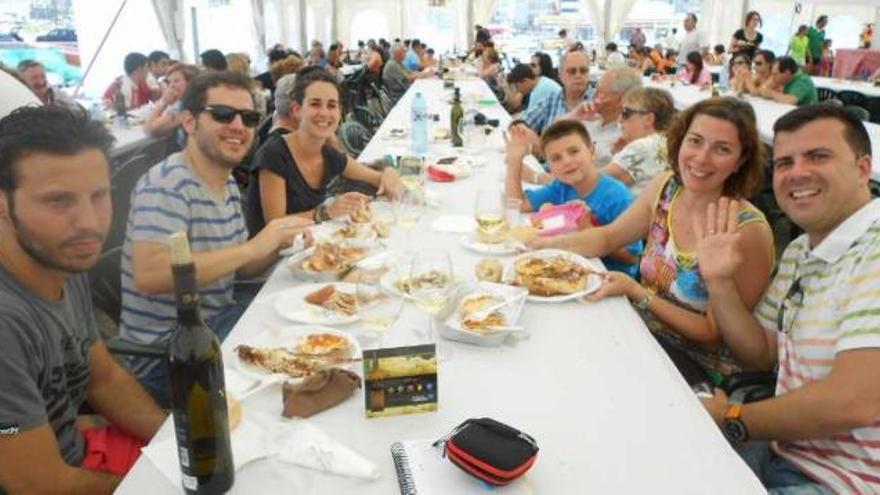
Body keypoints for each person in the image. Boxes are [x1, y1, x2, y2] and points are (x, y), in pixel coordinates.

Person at [698, 103, 880, 494]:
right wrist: (720, 283)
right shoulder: (802, 250)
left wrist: (732, 418)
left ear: (863, 168)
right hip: (786, 452)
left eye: (818, 156)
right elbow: (762, 352)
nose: (797, 172)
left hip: (847, 481)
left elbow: (852, 402)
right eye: (784, 162)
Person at [530, 98, 774, 384]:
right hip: (640, 333)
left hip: (696, 368)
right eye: (695, 141)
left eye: (722, 149)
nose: (701, 158)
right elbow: (609, 237)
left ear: (740, 161)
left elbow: (713, 337)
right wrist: (542, 248)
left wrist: (639, 293)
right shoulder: (667, 187)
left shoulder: (747, 230)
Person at [120, 71, 314, 406]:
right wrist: (255, 246)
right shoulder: (167, 184)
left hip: (218, 324)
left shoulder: (224, 184)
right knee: (300, 372)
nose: (239, 126)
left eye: (250, 118)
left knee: (312, 337)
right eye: (223, 115)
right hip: (170, 356)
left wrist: (279, 245)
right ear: (189, 122)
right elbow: (150, 275)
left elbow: (240, 269)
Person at [0, 105, 165, 493]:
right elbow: (40, 486)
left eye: (99, 195)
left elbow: (104, 378)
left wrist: (176, 442)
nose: (89, 223)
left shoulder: (59, 255)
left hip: (79, 453)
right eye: (58, 201)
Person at [245, 67, 402, 234]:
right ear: (296, 110)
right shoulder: (273, 154)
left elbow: (375, 177)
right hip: (274, 257)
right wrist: (326, 212)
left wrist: (389, 172)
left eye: (331, 105)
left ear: (339, 112)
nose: (324, 113)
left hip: (307, 243)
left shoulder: (326, 153)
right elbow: (275, 227)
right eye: (315, 104)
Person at [505, 119, 642, 276]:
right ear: (549, 166)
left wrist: (588, 228)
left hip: (606, 277)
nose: (567, 161)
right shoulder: (561, 186)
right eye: (556, 158)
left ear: (591, 150)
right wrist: (515, 160)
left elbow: (632, 257)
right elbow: (519, 204)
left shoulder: (617, 196)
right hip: (569, 265)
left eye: (574, 151)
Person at [601, 87, 675, 195]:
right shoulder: (665, 143)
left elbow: (593, 183)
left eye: (626, 113)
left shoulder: (643, 147)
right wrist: (617, 154)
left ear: (648, 119)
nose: (620, 119)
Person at [144, 63, 199, 137]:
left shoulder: (189, 109)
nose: (171, 86)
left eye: (176, 81)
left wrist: (163, 101)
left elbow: (149, 130)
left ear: (191, 83)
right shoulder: (185, 104)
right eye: (169, 82)